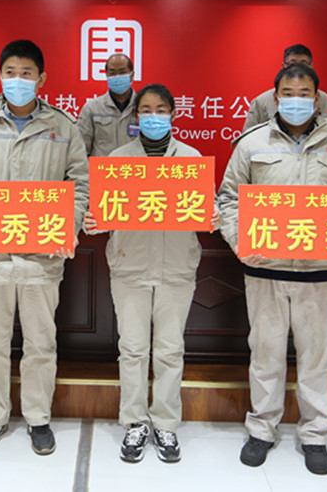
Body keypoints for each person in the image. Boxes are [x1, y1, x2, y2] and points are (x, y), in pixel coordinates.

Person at [218, 63, 327, 476]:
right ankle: (262, 430)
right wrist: (239, 241)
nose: (296, 100)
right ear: (275, 97)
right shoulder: (251, 143)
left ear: (317, 99)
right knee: (265, 354)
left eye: (304, 94)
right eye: (288, 93)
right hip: (264, 269)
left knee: (316, 357)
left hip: (318, 271)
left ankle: (314, 435)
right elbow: (228, 199)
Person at [0, 39, 90, 456]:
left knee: (40, 343)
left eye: (26, 73)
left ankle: (38, 418)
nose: (18, 80)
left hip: (41, 258)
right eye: (10, 72)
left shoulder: (63, 126)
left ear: (41, 78)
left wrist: (69, 226)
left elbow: (80, 185)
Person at [84, 84, 217, 464]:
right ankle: (135, 422)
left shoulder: (191, 159)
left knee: (170, 349)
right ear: (136, 116)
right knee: (132, 349)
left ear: (173, 113)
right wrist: (93, 220)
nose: (153, 116)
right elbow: (101, 211)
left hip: (176, 266)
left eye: (161, 109)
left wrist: (213, 214)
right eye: (146, 110)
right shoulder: (117, 159)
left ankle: (165, 423)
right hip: (130, 264)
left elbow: (207, 209)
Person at [243, 44, 327, 131]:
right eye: (292, 64)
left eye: (303, 64)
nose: (297, 68)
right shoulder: (261, 102)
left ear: (311, 66)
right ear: (283, 66)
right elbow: (248, 138)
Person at [77, 53, 137, 157]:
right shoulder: (92, 108)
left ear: (131, 75)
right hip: (102, 168)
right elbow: (80, 150)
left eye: (122, 72)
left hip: (136, 167)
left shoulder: (143, 108)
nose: (117, 77)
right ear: (107, 76)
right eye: (112, 73)